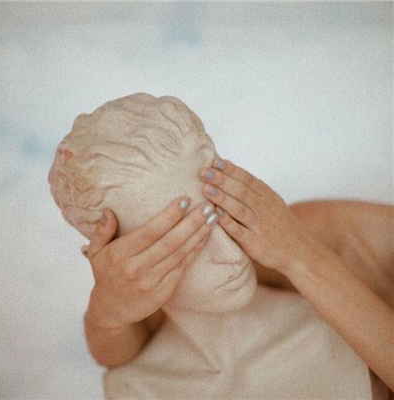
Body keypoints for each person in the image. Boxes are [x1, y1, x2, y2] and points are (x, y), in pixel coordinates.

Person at [49, 93, 394, 398]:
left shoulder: (338, 282)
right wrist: (105, 316)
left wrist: (301, 254)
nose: (230, 254)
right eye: (186, 243)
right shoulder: (138, 387)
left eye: (221, 211)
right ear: (120, 265)